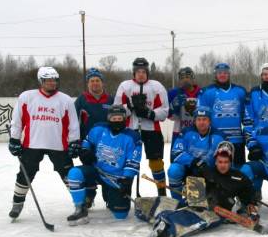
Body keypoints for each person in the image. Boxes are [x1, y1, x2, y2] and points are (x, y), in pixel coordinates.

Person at [8, 67, 80, 219]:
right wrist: (14, 139)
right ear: (41, 81)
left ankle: (80, 204)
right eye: (48, 80)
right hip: (32, 144)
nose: (52, 83)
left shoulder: (65, 100)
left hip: (59, 145)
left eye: (54, 80)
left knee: (68, 175)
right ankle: (17, 204)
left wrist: (74, 142)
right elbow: (17, 121)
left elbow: (73, 125)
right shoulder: (27, 97)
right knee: (25, 174)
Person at [149, 145, 257, 237]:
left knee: (197, 218)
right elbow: (193, 186)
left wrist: (252, 210)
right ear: (215, 161)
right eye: (220, 162)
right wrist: (192, 195)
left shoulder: (239, 177)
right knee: (180, 207)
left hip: (218, 212)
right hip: (200, 205)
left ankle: (169, 226)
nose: (223, 165)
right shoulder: (207, 172)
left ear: (230, 162)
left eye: (226, 162)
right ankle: (159, 214)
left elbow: (249, 197)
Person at [66, 105, 142, 225]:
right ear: (108, 119)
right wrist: (85, 150)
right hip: (97, 170)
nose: (116, 121)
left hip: (116, 178)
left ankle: (110, 196)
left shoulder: (132, 137)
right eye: (113, 118)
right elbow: (87, 141)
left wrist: (127, 179)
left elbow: (133, 161)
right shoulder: (98, 128)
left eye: (119, 118)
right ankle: (80, 208)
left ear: (124, 119)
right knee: (74, 173)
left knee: (120, 215)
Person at [114, 57, 169, 195]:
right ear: (133, 72)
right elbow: (116, 111)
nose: (141, 74)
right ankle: (125, 192)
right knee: (129, 161)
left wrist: (149, 113)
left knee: (156, 162)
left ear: (147, 72)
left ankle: (161, 193)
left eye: (143, 71)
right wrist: (131, 107)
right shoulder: (125, 86)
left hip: (152, 130)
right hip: (130, 130)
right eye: (138, 71)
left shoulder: (156, 87)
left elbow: (164, 111)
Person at [167, 106, 225, 204]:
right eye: (198, 119)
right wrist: (195, 162)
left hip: (209, 172)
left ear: (210, 121)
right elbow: (176, 153)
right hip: (190, 168)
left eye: (204, 119)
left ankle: (208, 196)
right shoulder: (186, 132)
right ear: (194, 121)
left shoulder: (219, 136)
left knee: (202, 205)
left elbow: (224, 159)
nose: (201, 122)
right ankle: (177, 202)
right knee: (174, 170)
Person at [199, 62, 248, 166]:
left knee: (238, 171)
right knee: (215, 171)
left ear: (229, 74)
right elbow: (201, 117)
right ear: (215, 75)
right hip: (215, 139)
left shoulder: (240, 91)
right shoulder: (207, 92)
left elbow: (247, 115)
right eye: (219, 72)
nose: (222, 75)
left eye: (225, 72)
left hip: (237, 139)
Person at [75, 67, 114, 141]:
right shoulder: (82, 99)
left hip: (106, 140)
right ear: (88, 84)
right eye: (92, 81)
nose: (95, 83)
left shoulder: (110, 99)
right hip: (87, 140)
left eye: (97, 80)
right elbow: (73, 120)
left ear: (102, 83)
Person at [168, 66, 201, 146]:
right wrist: (173, 106)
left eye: (187, 77)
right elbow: (168, 116)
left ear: (193, 78)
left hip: (199, 133)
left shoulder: (202, 93)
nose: (185, 80)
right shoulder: (173, 93)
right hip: (179, 133)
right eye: (182, 78)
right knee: (177, 157)